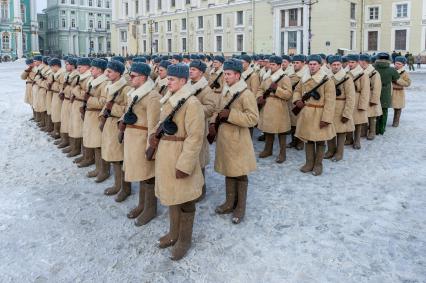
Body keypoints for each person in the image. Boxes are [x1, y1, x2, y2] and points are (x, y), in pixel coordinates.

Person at [152, 63, 205, 260]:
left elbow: (195, 137)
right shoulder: (170, 98)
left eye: (172, 79)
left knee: (186, 200)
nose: (168, 81)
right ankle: (173, 233)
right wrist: (154, 135)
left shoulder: (191, 103)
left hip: (181, 156)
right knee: (173, 197)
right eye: (168, 79)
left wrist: (185, 165)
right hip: (166, 154)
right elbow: (162, 122)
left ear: (183, 81)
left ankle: (184, 239)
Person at [210, 59, 259, 223]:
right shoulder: (226, 90)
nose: (225, 77)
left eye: (229, 74)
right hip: (225, 137)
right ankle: (229, 202)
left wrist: (231, 115)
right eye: (225, 73)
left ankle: (240, 208)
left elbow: (253, 119)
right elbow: (218, 109)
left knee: (240, 172)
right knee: (228, 170)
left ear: (238, 75)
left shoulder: (246, 94)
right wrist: (212, 124)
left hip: (239, 139)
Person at [121, 62, 161, 225]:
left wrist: (151, 147)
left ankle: (150, 209)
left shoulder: (152, 96)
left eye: (133, 76)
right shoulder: (134, 92)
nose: (130, 78)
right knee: (140, 174)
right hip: (132, 138)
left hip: (143, 139)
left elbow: (154, 125)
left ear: (143, 77)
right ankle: (142, 204)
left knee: (148, 175)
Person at [293, 54, 336, 176]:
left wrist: (326, 119)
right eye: (310, 64)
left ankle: (318, 165)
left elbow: (330, 101)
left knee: (321, 141)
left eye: (315, 64)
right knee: (308, 140)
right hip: (307, 113)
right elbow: (296, 90)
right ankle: (309, 163)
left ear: (320, 65)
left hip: (320, 113)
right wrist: (297, 101)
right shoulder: (304, 78)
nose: (312, 66)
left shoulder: (327, 80)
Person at [101, 60, 133, 201]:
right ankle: (117, 184)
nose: (106, 73)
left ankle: (125, 188)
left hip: (118, 125)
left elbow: (129, 109)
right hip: (109, 124)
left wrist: (111, 108)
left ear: (119, 73)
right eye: (107, 70)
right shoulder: (110, 85)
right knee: (114, 156)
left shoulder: (125, 89)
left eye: (110, 71)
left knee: (120, 158)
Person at [189, 60, 218, 201]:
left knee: (199, 159)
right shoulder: (190, 86)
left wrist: (194, 109)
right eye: (190, 69)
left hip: (201, 127)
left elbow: (211, 108)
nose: (190, 71)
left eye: (193, 69)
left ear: (201, 72)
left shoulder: (205, 89)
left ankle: (202, 189)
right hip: (189, 127)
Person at [256, 55, 292, 163]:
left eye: (273, 64)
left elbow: (288, 94)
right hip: (266, 105)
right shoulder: (266, 76)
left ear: (279, 65)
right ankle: (268, 150)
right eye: (270, 64)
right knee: (268, 129)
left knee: (281, 131)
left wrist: (277, 89)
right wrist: (259, 97)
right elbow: (260, 89)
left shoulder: (284, 77)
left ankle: (282, 153)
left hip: (279, 106)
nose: (271, 66)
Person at [81, 58, 110, 181]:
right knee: (94, 143)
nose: (90, 70)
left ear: (99, 70)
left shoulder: (104, 83)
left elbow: (103, 102)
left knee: (99, 145)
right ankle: (98, 168)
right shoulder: (92, 81)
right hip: (90, 115)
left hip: (97, 116)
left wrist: (88, 99)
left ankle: (104, 171)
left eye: (93, 68)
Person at [324, 55, 355, 161]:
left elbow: (351, 98)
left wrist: (347, 113)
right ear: (329, 65)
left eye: (338, 64)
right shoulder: (326, 77)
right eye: (334, 65)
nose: (336, 67)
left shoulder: (347, 78)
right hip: (329, 107)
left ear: (341, 65)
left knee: (341, 132)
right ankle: (330, 150)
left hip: (341, 107)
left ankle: (339, 153)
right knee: (329, 129)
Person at [345, 54, 369, 149]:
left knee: (358, 121)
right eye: (349, 62)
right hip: (348, 98)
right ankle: (349, 138)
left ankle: (357, 140)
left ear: (358, 62)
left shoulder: (363, 74)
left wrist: (362, 105)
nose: (350, 64)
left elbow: (365, 91)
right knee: (348, 118)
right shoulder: (345, 73)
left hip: (358, 97)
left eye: (352, 62)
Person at [374, 52, 400, 135]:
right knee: (384, 111)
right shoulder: (392, 70)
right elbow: (397, 78)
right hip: (386, 92)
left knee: (374, 111)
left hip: (373, 91)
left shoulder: (373, 68)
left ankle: (375, 129)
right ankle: (382, 129)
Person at [359, 54, 382, 140]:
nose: (358, 63)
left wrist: (374, 100)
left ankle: (372, 132)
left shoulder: (374, 73)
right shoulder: (360, 71)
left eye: (359, 61)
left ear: (364, 62)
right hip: (363, 96)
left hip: (371, 96)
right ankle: (363, 131)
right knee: (363, 114)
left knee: (372, 117)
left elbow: (377, 88)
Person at [58, 58, 79, 151]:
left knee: (73, 125)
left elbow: (73, 90)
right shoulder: (68, 74)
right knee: (66, 122)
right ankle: (67, 142)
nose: (66, 66)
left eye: (67, 64)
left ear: (73, 65)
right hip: (66, 100)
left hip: (72, 101)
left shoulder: (76, 75)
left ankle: (74, 147)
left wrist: (65, 89)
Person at [287, 54, 307, 150]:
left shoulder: (306, 75)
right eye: (294, 63)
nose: (295, 64)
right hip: (290, 100)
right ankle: (293, 141)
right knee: (292, 122)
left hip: (300, 101)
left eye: (297, 63)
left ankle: (301, 142)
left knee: (301, 122)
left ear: (303, 63)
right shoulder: (290, 73)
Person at [48, 58, 66, 140]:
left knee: (58, 114)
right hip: (55, 95)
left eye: (51, 67)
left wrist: (52, 85)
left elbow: (62, 87)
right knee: (55, 113)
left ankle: (58, 132)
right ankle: (56, 130)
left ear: (56, 66)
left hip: (59, 96)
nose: (51, 68)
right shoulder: (55, 73)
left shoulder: (61, 74)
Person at [391, 56, 411, 127]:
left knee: (398, 108)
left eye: (399, 64)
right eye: (396, 63)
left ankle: (396, 121)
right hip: (390, 91)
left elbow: (408, 83)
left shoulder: (405, 73)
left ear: (403, 65)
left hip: (399, 93)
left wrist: (398, 81)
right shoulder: (391, 70)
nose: (397, 65)